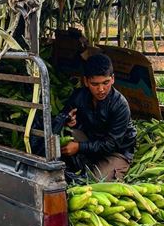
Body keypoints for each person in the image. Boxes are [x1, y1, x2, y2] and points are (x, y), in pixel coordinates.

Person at [55, 53, 136, 181]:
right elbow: (65, 113)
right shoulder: (79, 96)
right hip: (91, 140)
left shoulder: (120, 105)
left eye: (106, 83)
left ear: (113, 79)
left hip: (116, 151)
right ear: (86, 81)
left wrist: (79, 147)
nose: (101, 89)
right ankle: (89, 164)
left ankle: (115, 166)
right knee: (65, 136)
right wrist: (69, 120)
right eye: (95, 84)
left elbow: (111, 144)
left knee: (96, 181)